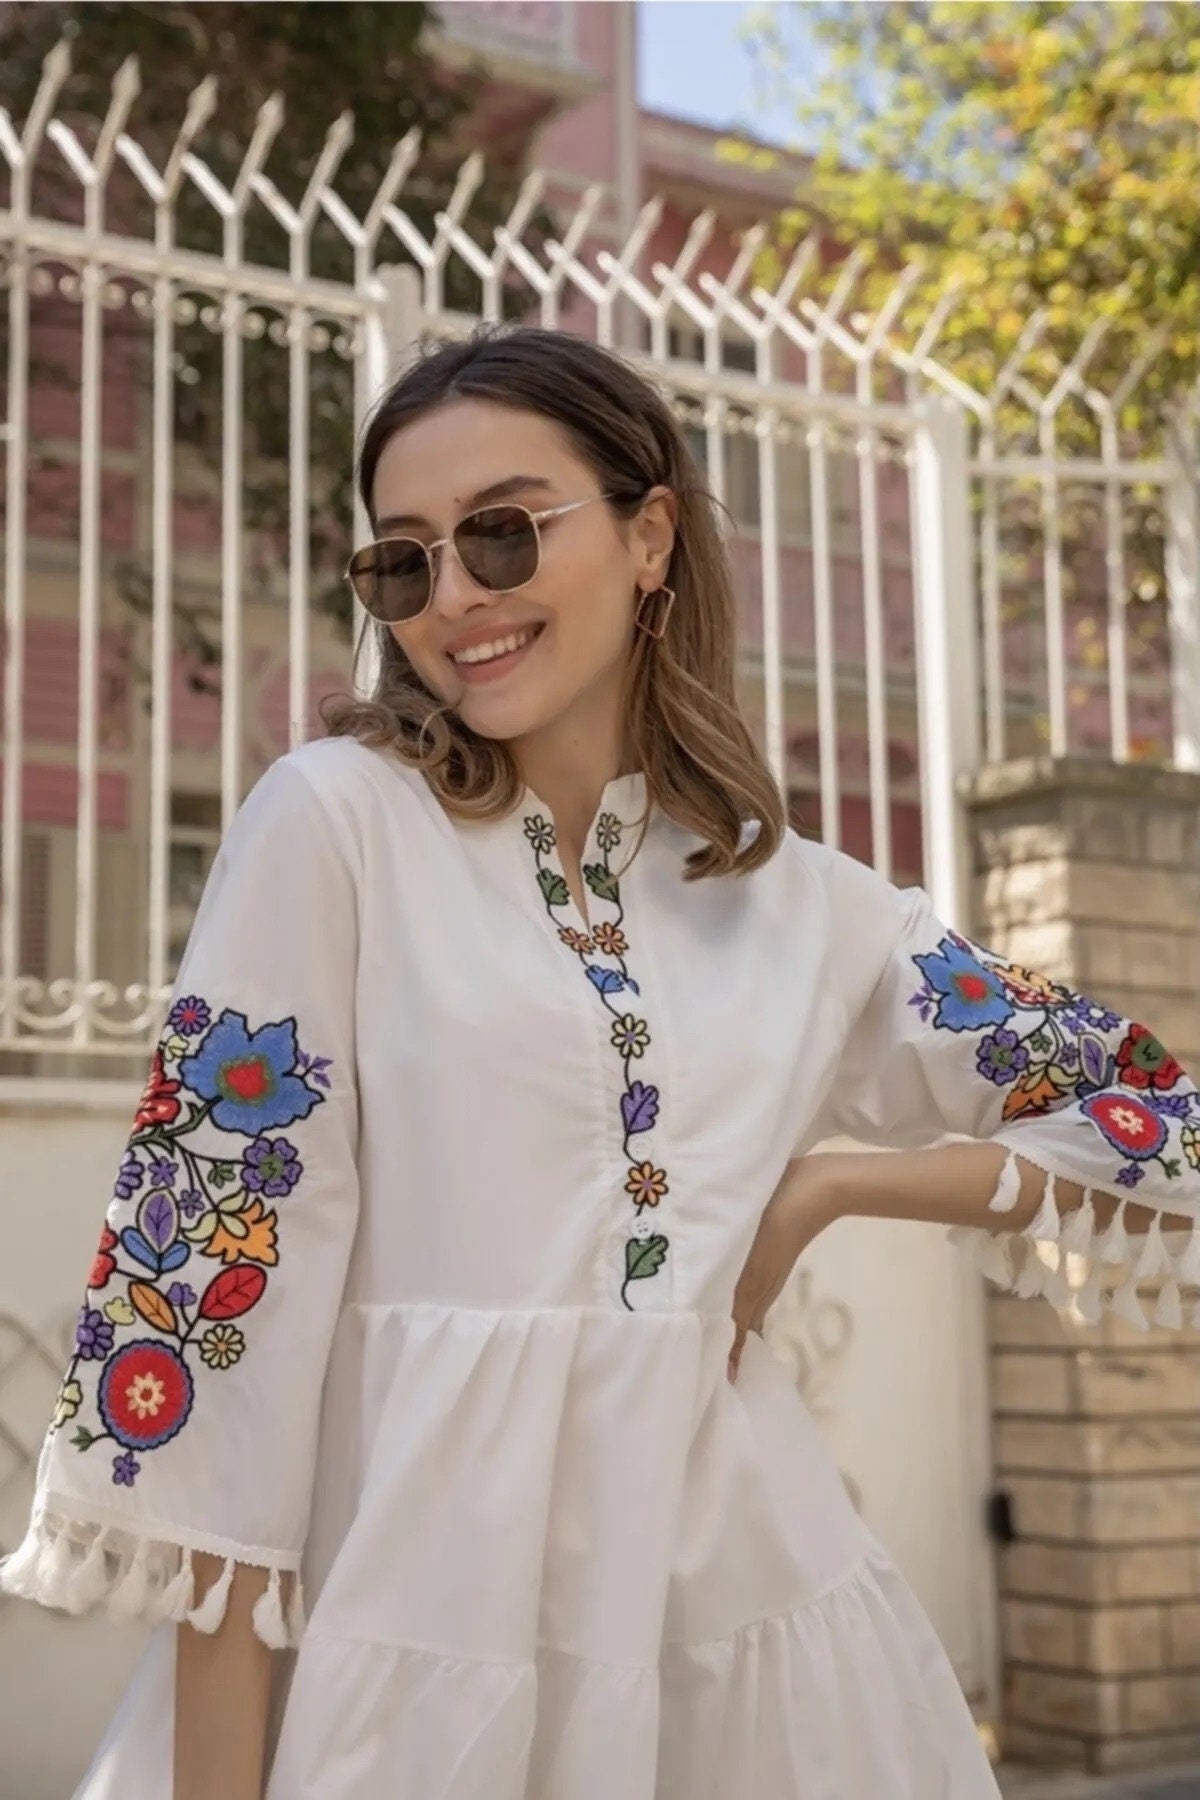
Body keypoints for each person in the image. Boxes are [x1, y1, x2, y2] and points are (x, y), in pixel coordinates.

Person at [4, 323, 1200, 1800]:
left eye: (503, 535)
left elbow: (1167, 1124)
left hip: (755, 1651)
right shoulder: (335, 828)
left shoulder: (804, 905)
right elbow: (221, 1337)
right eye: (404, 560)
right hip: (403, 1651)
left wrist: (832, 1188)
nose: (454, 599)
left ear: (650, 539)